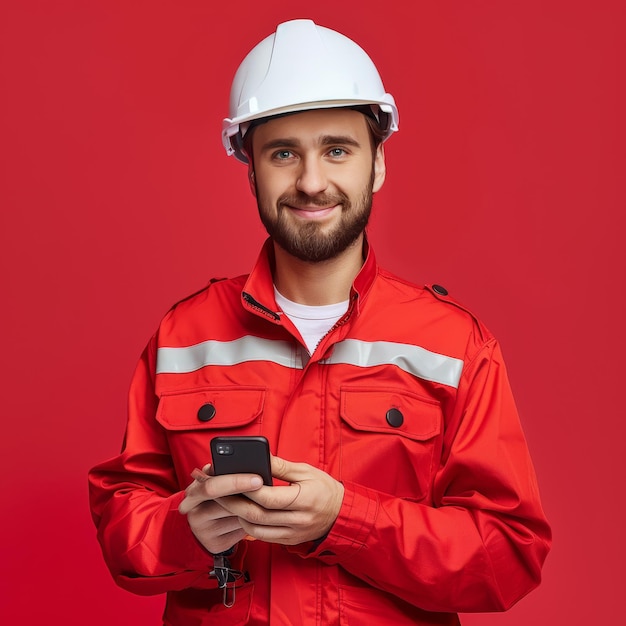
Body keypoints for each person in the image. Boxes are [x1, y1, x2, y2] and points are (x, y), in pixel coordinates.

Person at [88, 19, 551, 625]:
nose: (311, 181)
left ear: (377, 164)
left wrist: (347, 520)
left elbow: (507, 556)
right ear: (251, 169)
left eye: (337, 148)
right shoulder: (185, 337)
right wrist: (185, 530)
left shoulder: (454, 344)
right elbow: (124, 520)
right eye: (283, 153)